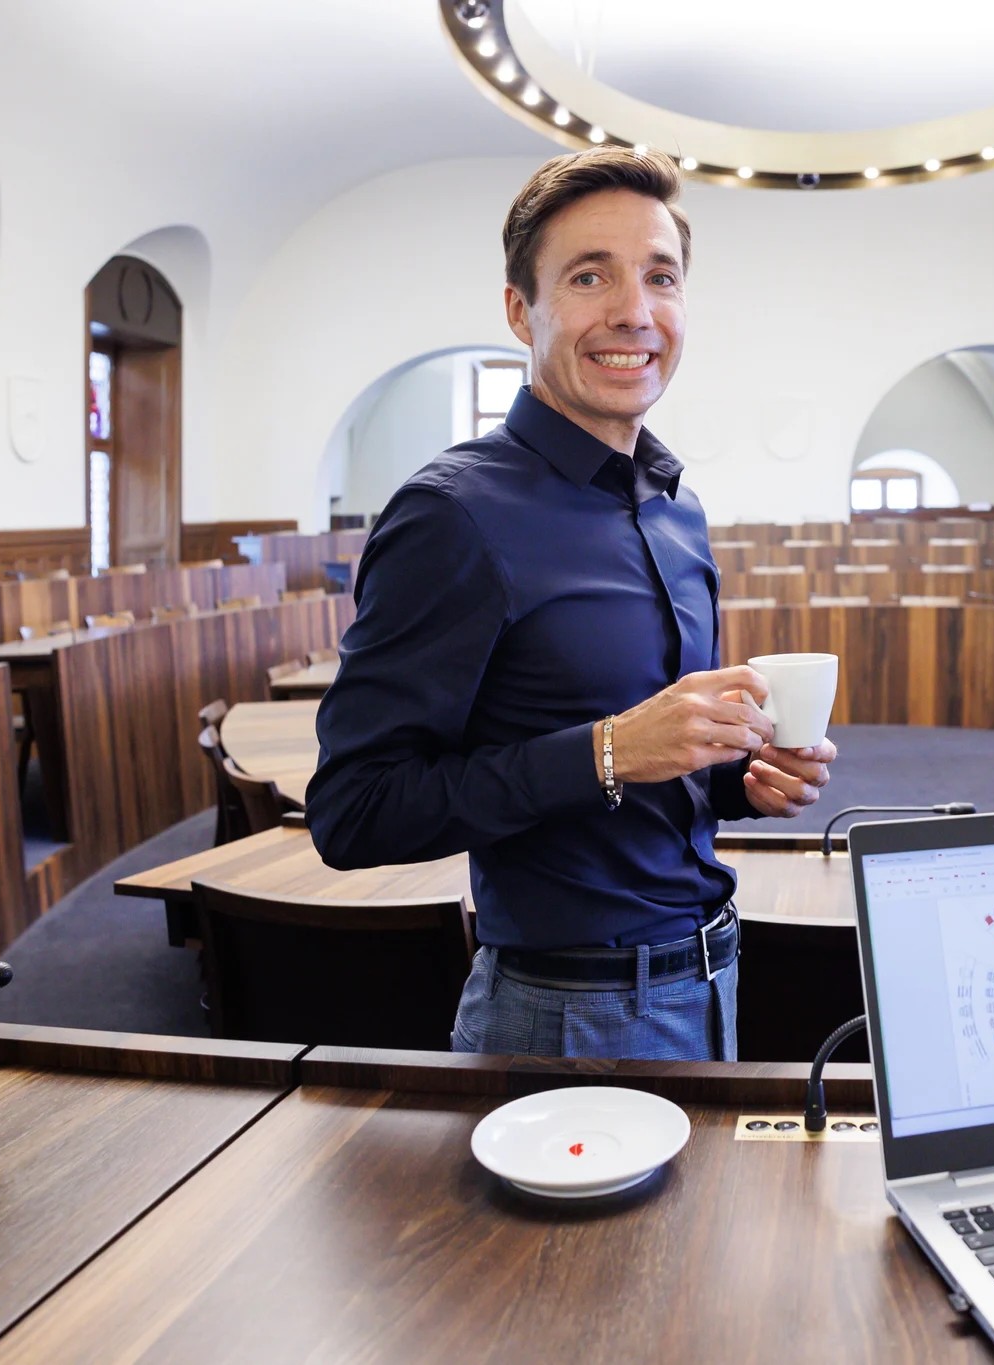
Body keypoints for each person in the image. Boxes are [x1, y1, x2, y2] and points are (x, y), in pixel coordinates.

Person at [306, 148, 837, 1061]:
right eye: (590, 275)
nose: (634, 310)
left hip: (714, 974)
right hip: (567, 1012)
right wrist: (608, 751)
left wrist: (735, 778)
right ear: (522, 309)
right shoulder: (454, 514)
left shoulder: (676, 505)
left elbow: (652, 768)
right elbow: (353, 811)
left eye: (660, 276)